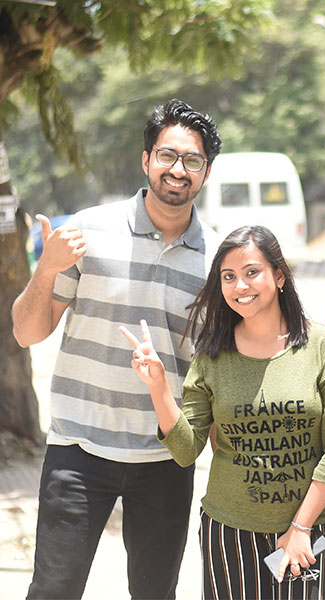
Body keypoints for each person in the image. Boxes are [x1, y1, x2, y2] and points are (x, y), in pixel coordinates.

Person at [11, 98, 222, 599]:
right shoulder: (87, 230)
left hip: (166, 457)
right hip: (79, 448)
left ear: (206, 172)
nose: (178, 169)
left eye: (192, 160)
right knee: (53, 590)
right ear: (146, 159)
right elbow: (26, 333)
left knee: (155, 594)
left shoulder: (219, 260)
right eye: (167, 155)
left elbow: (215, 375)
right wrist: (45, 268)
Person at [120, 225, 325, 600]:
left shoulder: (322, 345)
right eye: (228, 277)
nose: (240, 285)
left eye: (251, 272)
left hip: (310, 529)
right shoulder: (211, 354)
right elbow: (185, 450)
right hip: (229, 531)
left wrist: (300, 526)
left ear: (279, 276)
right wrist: (159, 387)